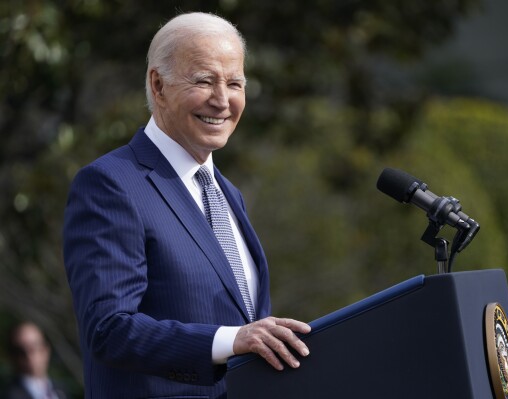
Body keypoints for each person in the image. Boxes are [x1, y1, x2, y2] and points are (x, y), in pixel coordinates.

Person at [62, 12, 311, 399]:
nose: (222, 100)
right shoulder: (110, 184)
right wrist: (232, 340)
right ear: (158, 85)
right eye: (204, 81)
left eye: (235, 83)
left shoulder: (229, 193)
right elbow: (108, 329)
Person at [4, 321, 68, 399]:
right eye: (20, 350)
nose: (28, 355)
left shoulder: (61, 391)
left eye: (34, 347)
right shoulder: (9, 395)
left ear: (46, 349)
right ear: (11, 356)